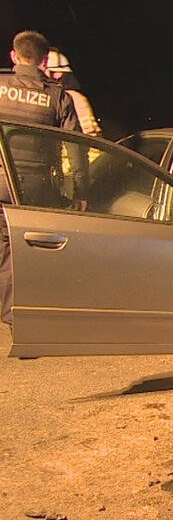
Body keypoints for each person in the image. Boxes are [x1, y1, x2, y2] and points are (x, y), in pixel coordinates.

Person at [0, 30, 81, 326]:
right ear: (45, 60)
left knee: (6, 250)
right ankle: (27, 314)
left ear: (14, 55)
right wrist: (79, 189)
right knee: (32, 249)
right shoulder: (55, 96)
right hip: (35, 187)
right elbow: (76, 147)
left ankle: (11, 312)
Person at [45, 48, 101, 136]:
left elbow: (91, 137)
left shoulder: (76, 100)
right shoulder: (48, 95)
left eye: (43, 70)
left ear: (57, 74)